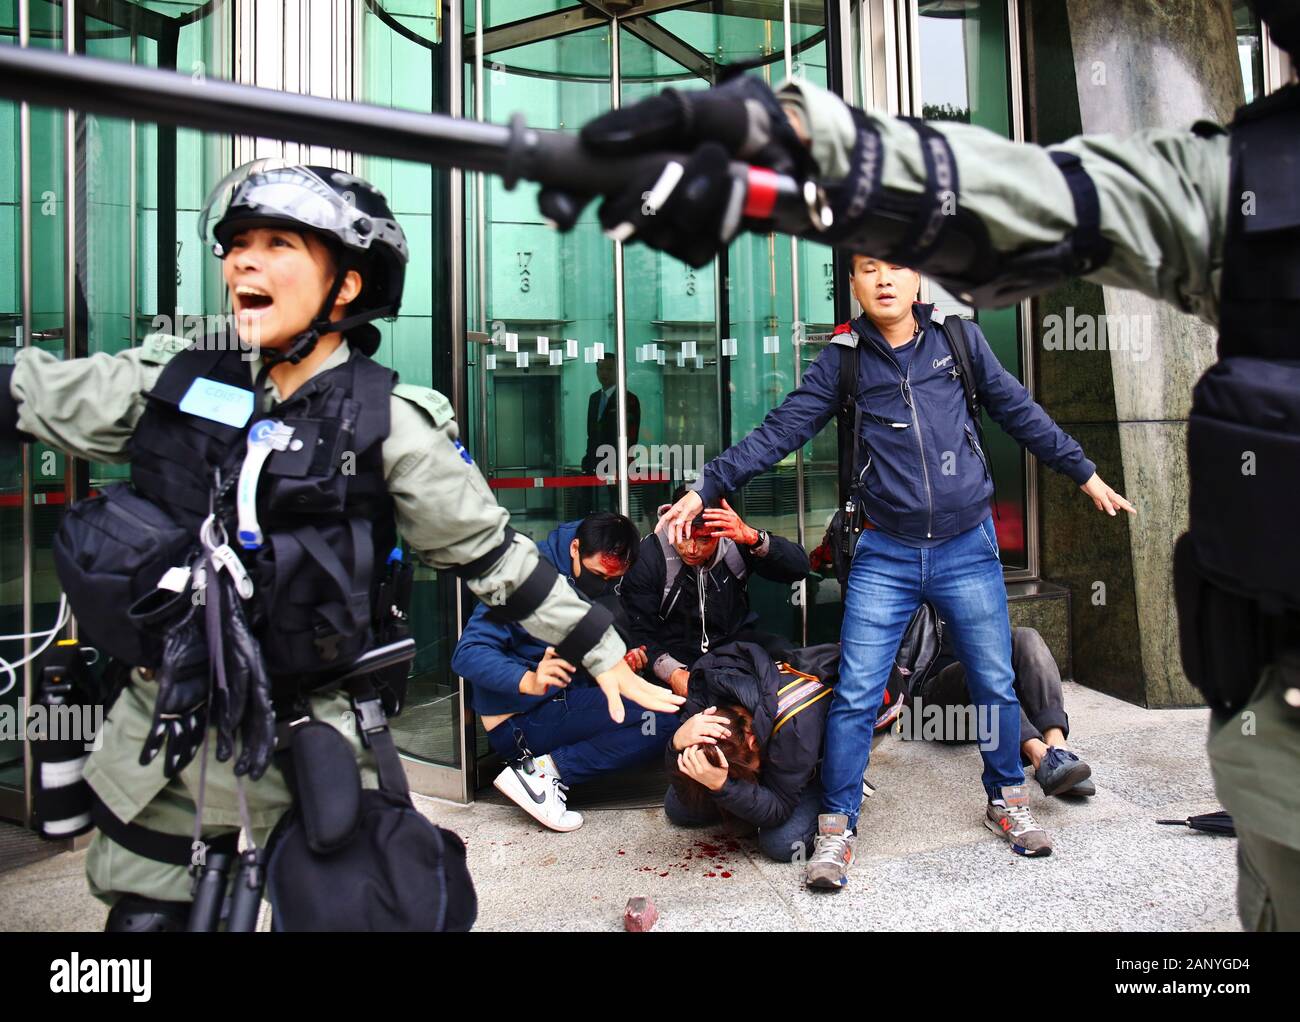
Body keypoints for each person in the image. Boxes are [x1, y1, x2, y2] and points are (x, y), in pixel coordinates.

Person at [539, 0, 1300, 924]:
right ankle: (838, 822)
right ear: (854, 282)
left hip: (971, 545)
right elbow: (781, 429)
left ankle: (1005, 797)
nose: (887, 275)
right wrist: (707, 480)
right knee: (857, 690)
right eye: (867, 267)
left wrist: (1084, 470)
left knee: (989, 680)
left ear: (923, 273)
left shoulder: (959, 341)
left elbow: (1019, 409)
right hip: (892, 554)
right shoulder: (844, 361)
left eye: (899, 262)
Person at [0, 161, 680, 931]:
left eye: (279, 243)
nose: (244, 262)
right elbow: (31, 394)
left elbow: (498, 561)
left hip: (314, 729)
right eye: (237, 244)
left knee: (359, 910)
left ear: (346, 285)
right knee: (144, 929)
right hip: (173, 720)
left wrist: (598, 649)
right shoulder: (174, 382)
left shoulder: (391, 423)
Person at [453, 512, 675, 832]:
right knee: (661, 721)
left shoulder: (585, 577)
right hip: (518, 721)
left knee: (660, 710)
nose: (604, 585)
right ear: (574, 548)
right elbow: (467, 654)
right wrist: (528, 679)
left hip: (560, 698)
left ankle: (548, 767)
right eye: (598, 575)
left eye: (614, 580)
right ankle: (543, 774)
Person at [620, 486, 811, 696]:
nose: (692, 549)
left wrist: (752, 537)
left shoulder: (735, 542)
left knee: (794, 658)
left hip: (735, 644)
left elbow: (799, 568)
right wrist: (673, 673)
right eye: (683, 536)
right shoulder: (649, 556)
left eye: (704, 539)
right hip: (676, 653)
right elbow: (639, 632)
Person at [663, 642, 829, 863]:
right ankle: (742, 799)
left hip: (810, 762)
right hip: (764, 747)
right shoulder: (705, 699)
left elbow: (779, 808)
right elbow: (684, 773)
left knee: (782, 843)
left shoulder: (795, 726)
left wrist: (723, 787)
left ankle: (832, 797)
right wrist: (675, 744)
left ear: (752, 742)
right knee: (678, 807)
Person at [911, 626, 1095, 798]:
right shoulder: (902, 597)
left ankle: (1058, 751)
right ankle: (1039, 754)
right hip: (934, 706)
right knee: (978, 664)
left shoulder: (969, 594)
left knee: (1026, 636)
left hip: (981, 706)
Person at [581, 353, 640, 475]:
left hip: (618, 465)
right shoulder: (594, 398)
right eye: (601, 369)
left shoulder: (628, 399)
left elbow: (631, 437)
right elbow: (591, 434)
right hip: (594, 465)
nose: (604, 373)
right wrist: (589, 458)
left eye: (609, 369)